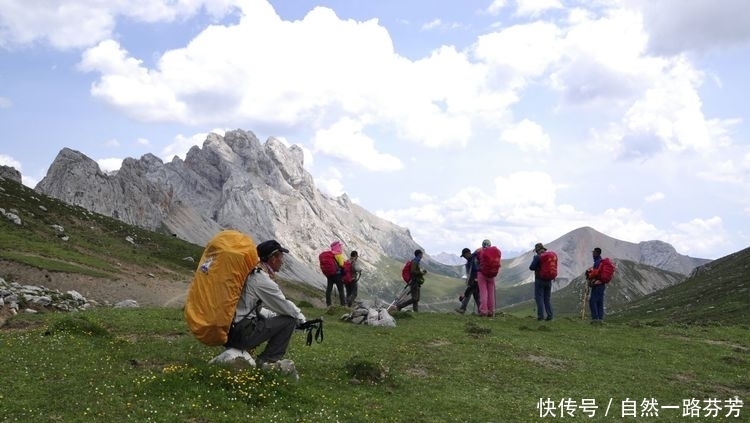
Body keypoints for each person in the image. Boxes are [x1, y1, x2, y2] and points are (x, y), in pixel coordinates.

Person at [225, 239, 307, 368]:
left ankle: (249, 353)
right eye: (281, 257)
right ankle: (267, 360)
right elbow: (283, 305)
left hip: (231, 330)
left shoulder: (252, 272)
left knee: (268, 317)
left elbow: (251, 307)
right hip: (240, 334)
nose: (282, 261)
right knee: (290, 320)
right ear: (273, 258)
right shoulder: (261, 280)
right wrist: (301, 318)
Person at [529, 242, 553, 321]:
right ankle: (550, 316)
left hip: (540, 280)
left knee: (539, 298)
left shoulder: (537, 257)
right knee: (547, 299)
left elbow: (531, 267)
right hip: (549, 280)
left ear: (537, 250)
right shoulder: (549, 257)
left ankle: (541, 317)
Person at [476, 239, 500, 317]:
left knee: (483, 293)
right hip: (492, 275)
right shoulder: (494, 252)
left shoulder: (480, 252)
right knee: (491, 293)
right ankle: (491, 311)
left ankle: (483, 311)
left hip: (482, 274)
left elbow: (476, 262)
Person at [455, 247, 480, 314]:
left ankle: (462, 309)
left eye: (464, 255)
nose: (464, 257)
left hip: (475, 280)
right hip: (474, 280)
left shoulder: (473, 260)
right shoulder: (470, 260)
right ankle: (481, 311)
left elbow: (476, 270)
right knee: (476, 296)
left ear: (468, 253)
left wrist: (475, 279)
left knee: (468, 293)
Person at [587, 247, 606, 324]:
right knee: (600, 302)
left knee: (592, 301)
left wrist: (589, 276)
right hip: (602, 285)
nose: (592, 254)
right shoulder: (601, 261)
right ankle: (600, 318)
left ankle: (595, 319)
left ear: (597, 253)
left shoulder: (597, 262)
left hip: (597, 285)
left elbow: (595, 274)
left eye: (593, 252)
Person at [325, 240, 346, 306]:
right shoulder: (339, 254)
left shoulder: (330, 254)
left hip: (330, 275)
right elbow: (342, 265)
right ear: (338, 246)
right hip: (337, 275)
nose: (341, 247)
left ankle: (328, 304)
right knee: (341, 290)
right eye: (340, 245)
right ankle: (343, 305)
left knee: (329, 289)